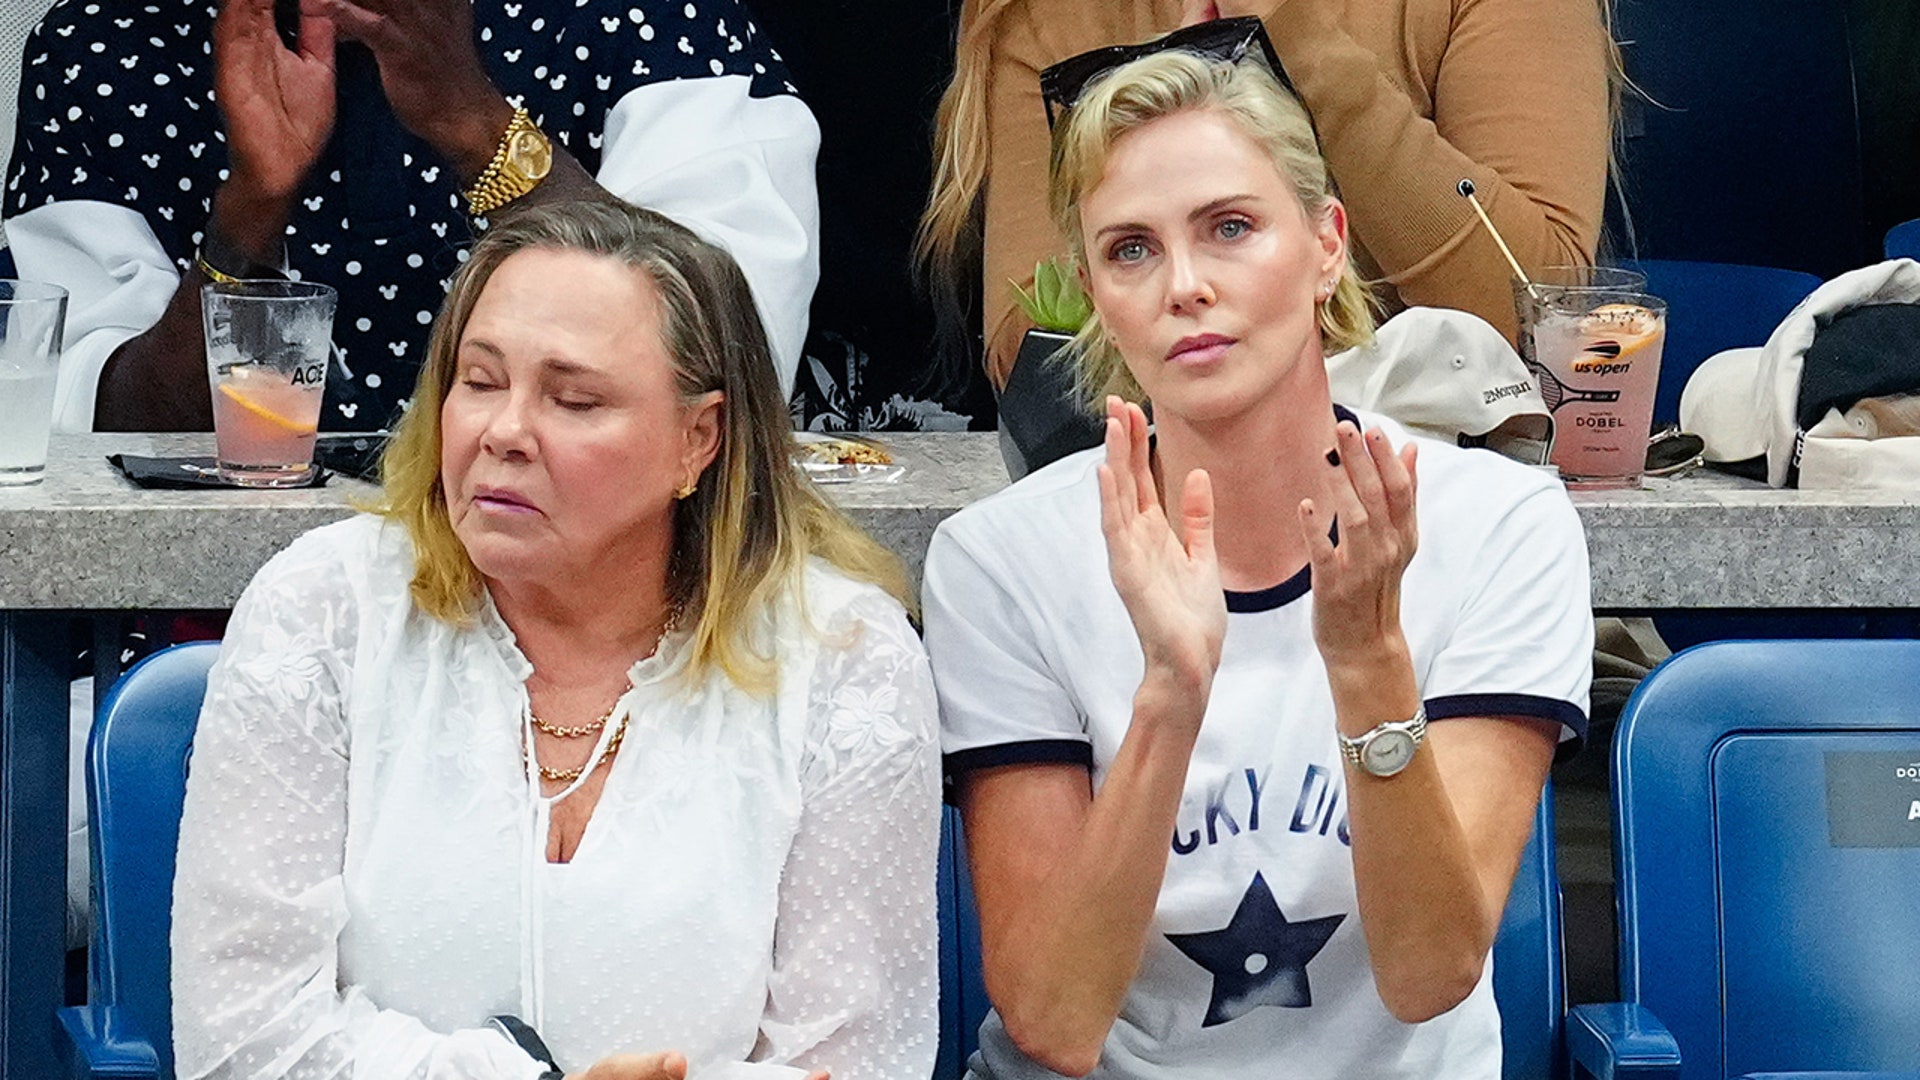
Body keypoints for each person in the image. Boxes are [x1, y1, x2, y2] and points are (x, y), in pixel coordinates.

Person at [921, 49, 1591, 1078]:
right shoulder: (999, 560)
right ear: (1094, 289)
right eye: (1130, 250)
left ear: (1328, 245)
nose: (1185, 286)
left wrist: (1368, 662)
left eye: (1231, 228)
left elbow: (1428, 973)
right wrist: (1169, 696)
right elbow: (1054, 1022)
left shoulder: (1504, 525)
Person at [169, 200, 939, 1080]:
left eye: (573, 399)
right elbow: (240, 1039)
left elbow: (859, 1058)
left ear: (699, 438)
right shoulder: (326, 609)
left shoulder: (843, 657)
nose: (503, 433)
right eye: (480, 380)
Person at [5, 0, 818, 433]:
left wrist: (479, 126)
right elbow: (92, 433)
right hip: (191, 635)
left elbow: (734, 365)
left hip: (590, 621)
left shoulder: (651, 20)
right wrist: (250, 214)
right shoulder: (111, 45)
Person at [918, 0, 1611, 388]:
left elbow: (1536, 315)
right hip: (1151, 525)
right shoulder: (1047, 14)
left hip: (1459, 516)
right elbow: (1039, 358)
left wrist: (1297, 41)